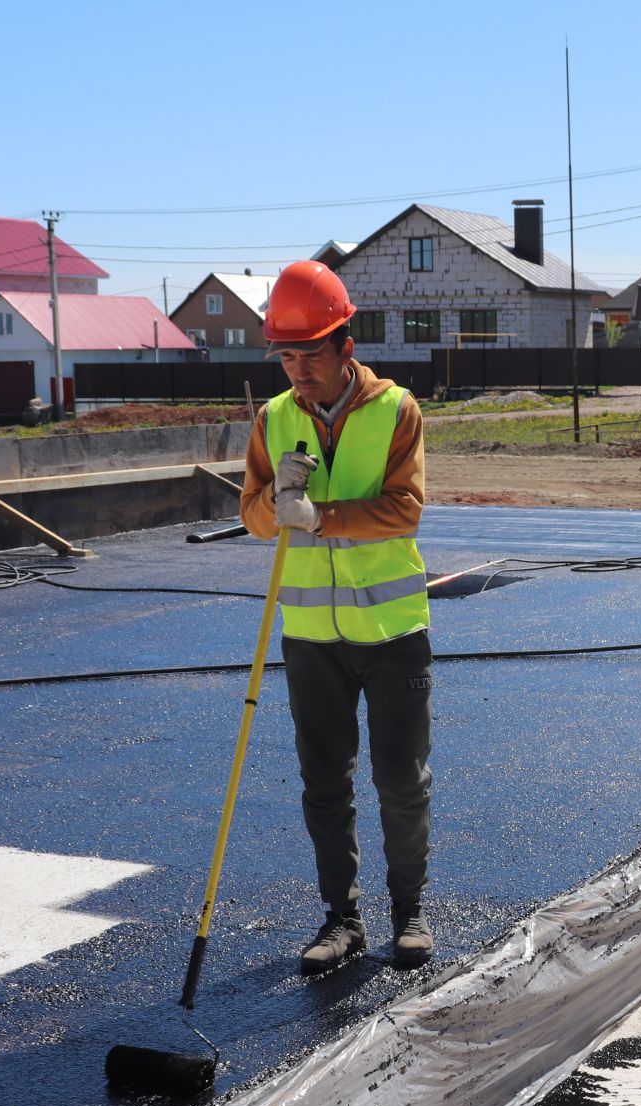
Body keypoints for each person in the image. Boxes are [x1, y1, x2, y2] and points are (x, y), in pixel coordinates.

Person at [240, 260, 435, 974]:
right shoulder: (273, 419)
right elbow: (255, 518)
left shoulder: (396, 411)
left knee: (399, 780)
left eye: (310, 354)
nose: (298, 371)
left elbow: (404, 508)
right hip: (312, 639)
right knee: (324, 783)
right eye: (287, 356)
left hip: (391, 634)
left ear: (344, 346)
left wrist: (320, 517)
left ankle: (409, 912)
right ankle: (341, 919)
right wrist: (275, 503)